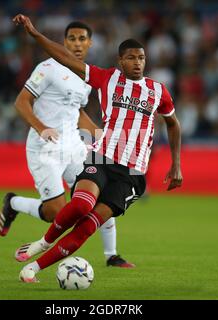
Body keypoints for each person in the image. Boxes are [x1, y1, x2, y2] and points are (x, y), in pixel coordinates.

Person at [12, 14, 183, 283]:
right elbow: (66, 58)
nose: (137, 62)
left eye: (141, 58)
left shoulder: (158, 91)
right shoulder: (106, 78)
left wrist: (176, 165)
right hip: (100, 157)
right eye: (131, 58)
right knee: (80, 206)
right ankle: (42, 243)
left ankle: (33, 269)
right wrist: (34, 34)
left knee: (87, 227)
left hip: (132, 175)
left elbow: (173, 124)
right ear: (120, 61)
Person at [0, 21, 135, 268]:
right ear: (64, 41)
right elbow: (21, 102)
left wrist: (99, 134)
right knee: (57, 213)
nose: (77, 43)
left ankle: (111, 255)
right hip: (44, 149)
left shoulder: (85, 76)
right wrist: (41, 127)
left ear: (90, 43)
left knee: (101, 195)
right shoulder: (47, 68)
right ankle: (13, 203)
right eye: (72, 39)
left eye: (82, 39)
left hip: (73, 147)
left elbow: (76, 112)